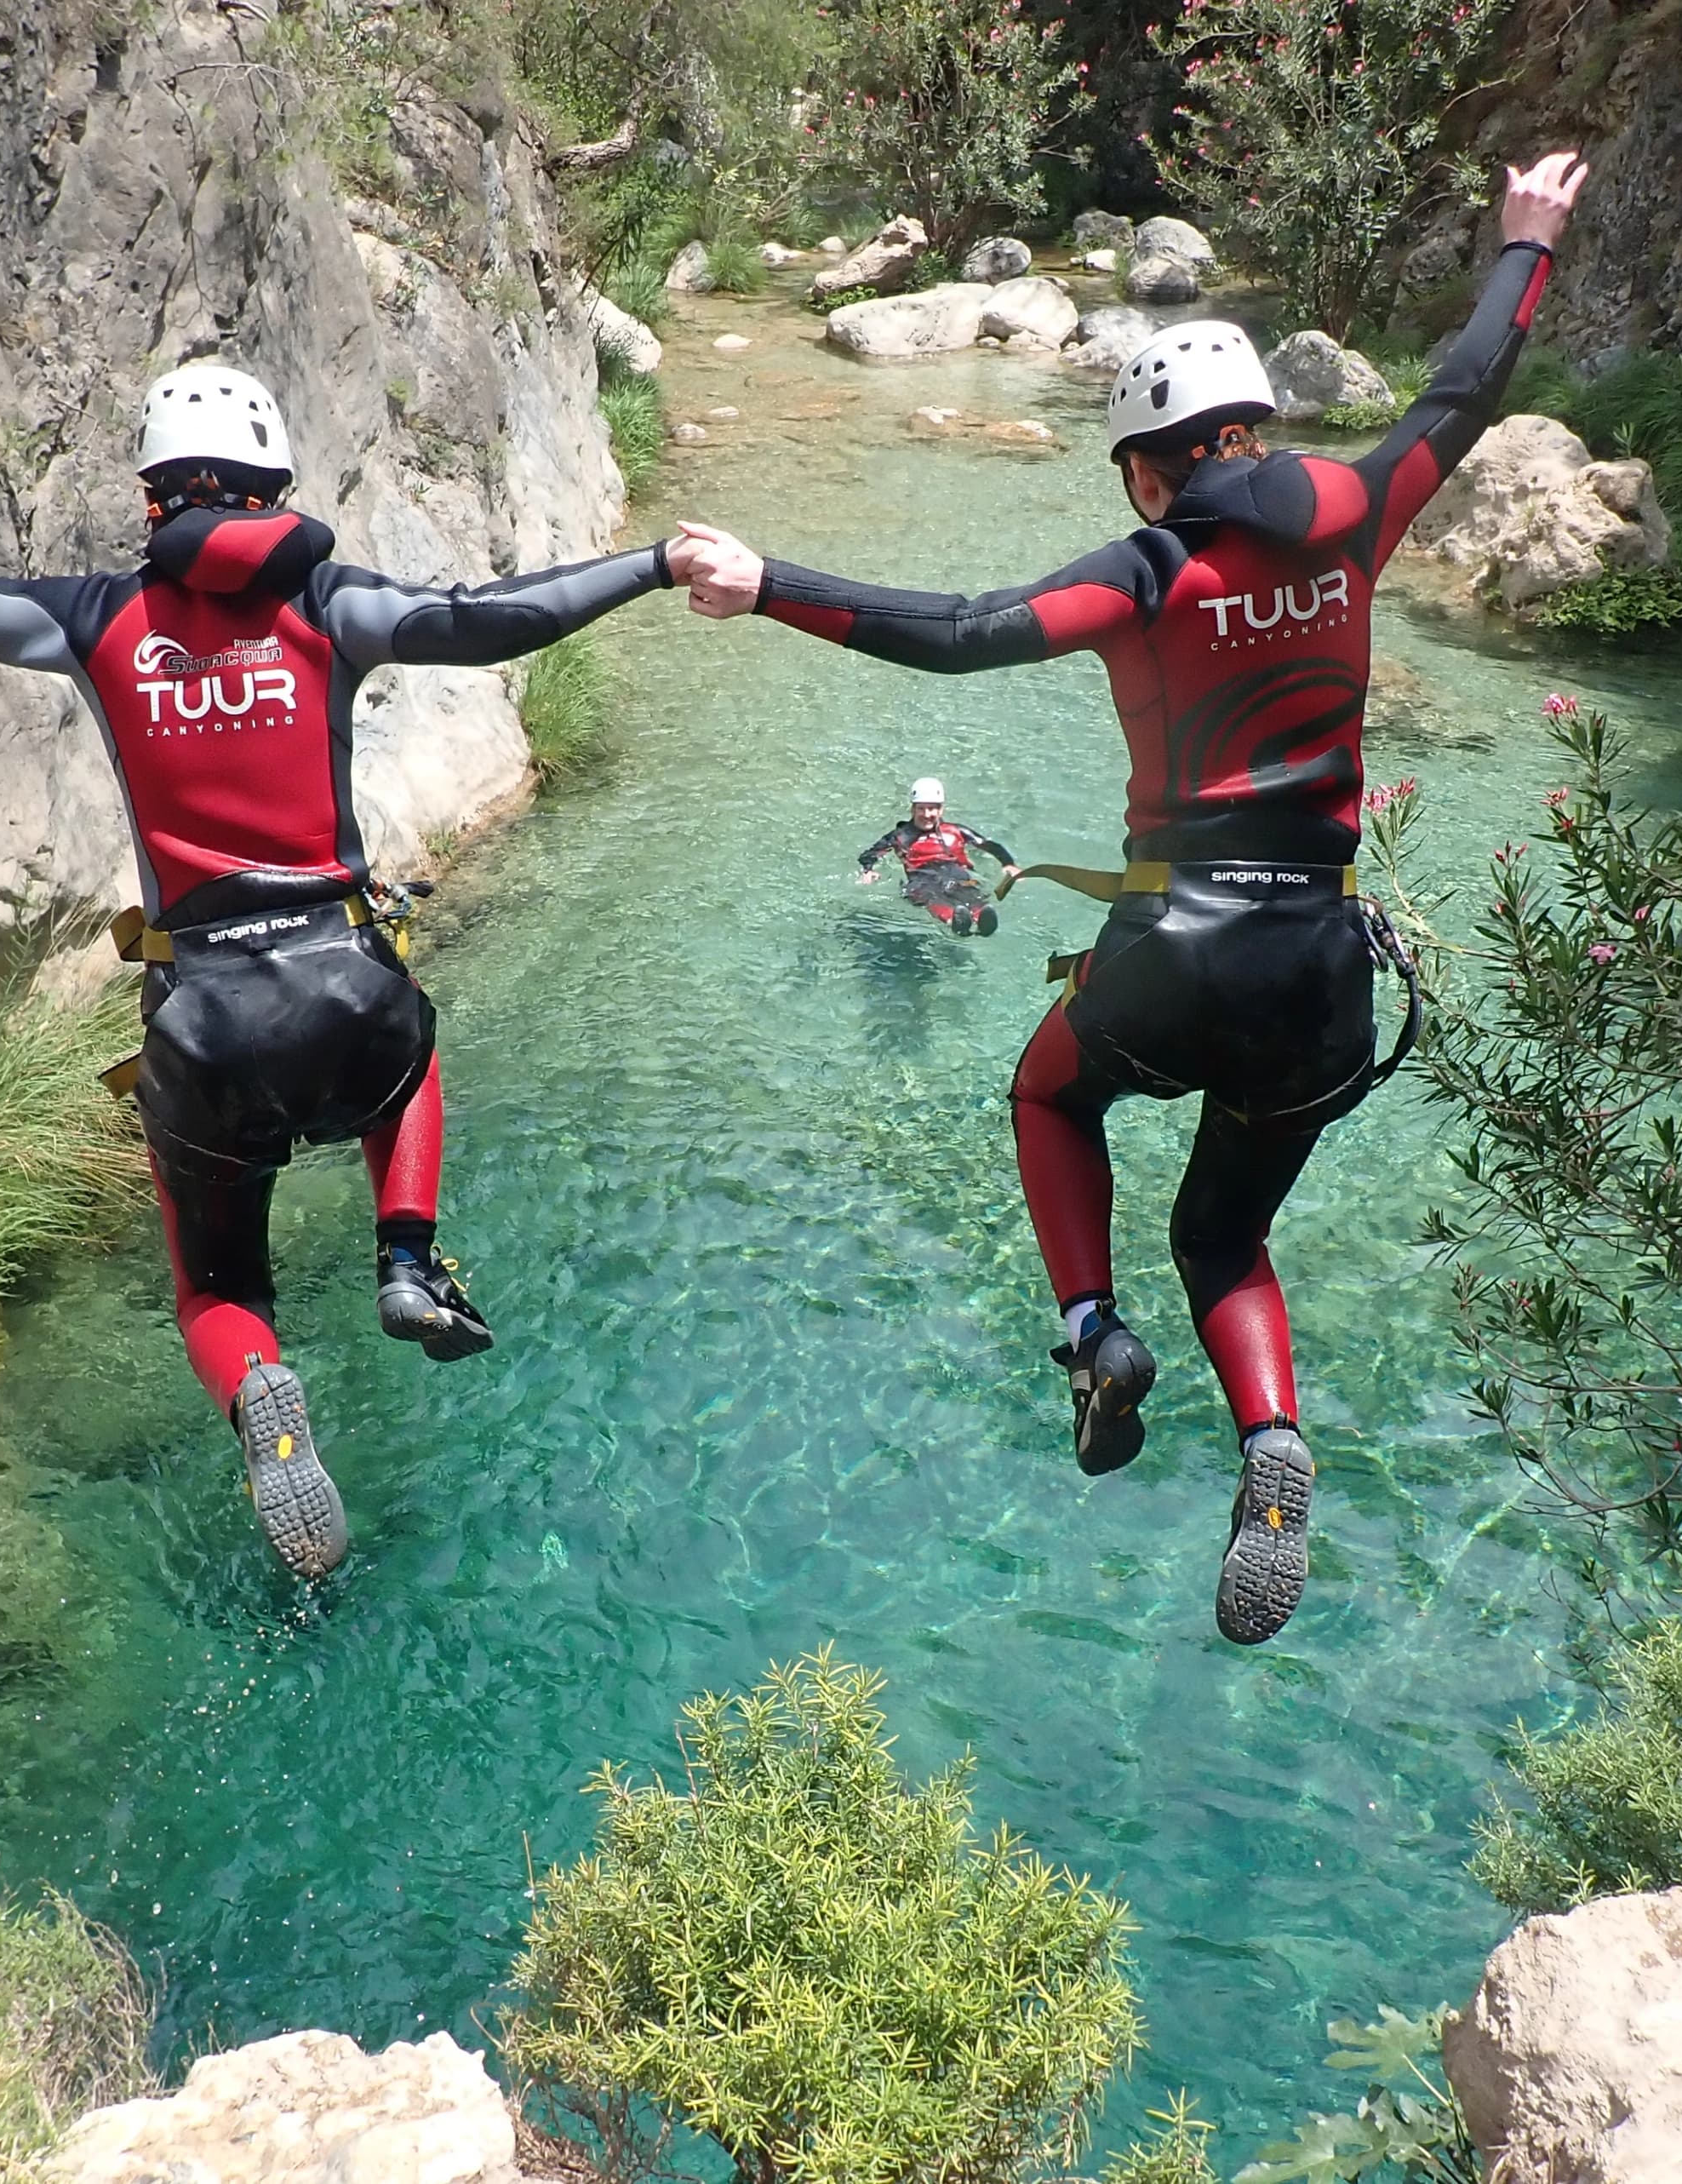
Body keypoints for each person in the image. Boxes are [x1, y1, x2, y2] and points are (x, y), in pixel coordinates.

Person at [674, 152, 1593, 1646]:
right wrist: (1527, 241)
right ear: (1262, 426)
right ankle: (1274, 1444)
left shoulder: (1152, 569)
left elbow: (965, 634)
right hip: (1322, 968)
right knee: (1226, 1241)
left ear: (1154, 465)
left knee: (1050, 1097)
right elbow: (1462, 391)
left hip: (1177, 943)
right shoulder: (1359, 510)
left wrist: (765, 578)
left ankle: (1093, 1334)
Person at [0, 363, 721, 1579]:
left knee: (216, 1286)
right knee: (409, 1053)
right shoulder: (331, 607)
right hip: (344, 980)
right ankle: (407, 1257)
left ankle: (266, 1394)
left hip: (203, 1018)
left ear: (147, 495)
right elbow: (498, 617)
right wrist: (651, 563)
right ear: (280, 485)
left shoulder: (93, 618)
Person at [857, 777, 1021, 936]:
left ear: (941, 810)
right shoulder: (899, 836)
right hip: (922, 877)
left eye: (932, 808)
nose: (927, 814)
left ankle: (982, 917)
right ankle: (953, 920)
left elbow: (990, 845)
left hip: (955, 872)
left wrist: (1008, 863)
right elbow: (870, 854)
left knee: (969, 890)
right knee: (930, 895)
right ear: (913, 810)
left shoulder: (956, 831)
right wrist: (868, 870)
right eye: (921, 808)